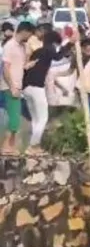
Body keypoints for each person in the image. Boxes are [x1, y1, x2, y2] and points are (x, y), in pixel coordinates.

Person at [22, 30, 73, 155]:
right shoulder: (49, 49)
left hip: (26, 87)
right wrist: (70, 43)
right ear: (54, 43)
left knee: (35, 119)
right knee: (43, 118)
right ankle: (32, 146)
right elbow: (58, 56)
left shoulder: (37, 51)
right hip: (36, 87)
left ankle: (35, 146)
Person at [0, 21, 35, 155]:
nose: (30, 37)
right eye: (29, 34)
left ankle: (10, 146)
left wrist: (28, 65)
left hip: (17, 86)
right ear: (24, 31)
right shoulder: (10, 46)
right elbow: (6, 68)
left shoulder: (21, 47)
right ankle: (5, 147)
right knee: (14, 118)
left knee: (15, 119)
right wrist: (12, 87)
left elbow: (19, 66)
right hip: (10, 86)